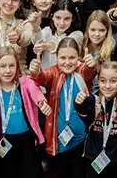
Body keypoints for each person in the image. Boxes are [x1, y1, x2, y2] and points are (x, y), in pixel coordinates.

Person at [28, 38, 99, 178]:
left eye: (72, 57)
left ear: (78, 57)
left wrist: (92, 65)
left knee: (79, 173)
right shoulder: (53, 72)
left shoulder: (82, 71)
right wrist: (35, 72)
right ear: (56, 57)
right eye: (63, 58)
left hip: (82, 139)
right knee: (62, 173)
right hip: (59, 139)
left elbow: (90, 72)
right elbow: (41, 78)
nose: (67, 62)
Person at [0, 50, 48, 178]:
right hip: (3, 140)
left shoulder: (26, 83)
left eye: (11, 66)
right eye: (3, 66)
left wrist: (42, 103)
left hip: (26, 139)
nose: (7, 71)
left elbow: (36, 93)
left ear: (17, 66)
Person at [74, 61, 117, 178]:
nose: (107, 86)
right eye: (103, 81)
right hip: (94, 158)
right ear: (98, 81)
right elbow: (84, 113)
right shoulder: (94, 101)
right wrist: (79, 103)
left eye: (113, 81)